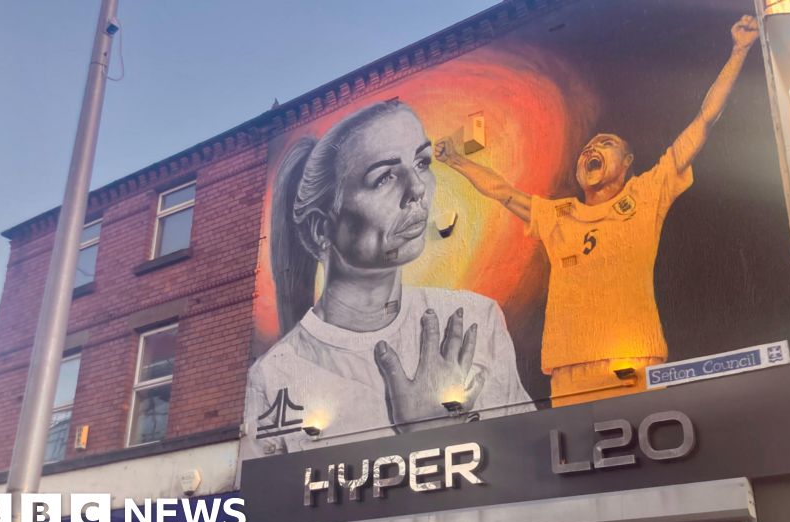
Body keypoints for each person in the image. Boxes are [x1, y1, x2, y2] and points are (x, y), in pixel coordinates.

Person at [434, 15, 760, 407]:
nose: (591, 150)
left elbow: (704, 121)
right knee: (574, 445)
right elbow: (502, 192)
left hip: (634, 362)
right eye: (587, 149)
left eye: (605, 144)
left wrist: (739, 49)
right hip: (568, 368)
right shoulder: (557, 214)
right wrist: (456, 160)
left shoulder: (646, 194)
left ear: (627, 164)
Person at [245, 100, 534, 458]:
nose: (418, 189)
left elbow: (532, 460)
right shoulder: (273, 376)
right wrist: (427, 437)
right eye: (383, 177)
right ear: (321, 228)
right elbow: (266, 492)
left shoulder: (476, 320)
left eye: (422, 163)